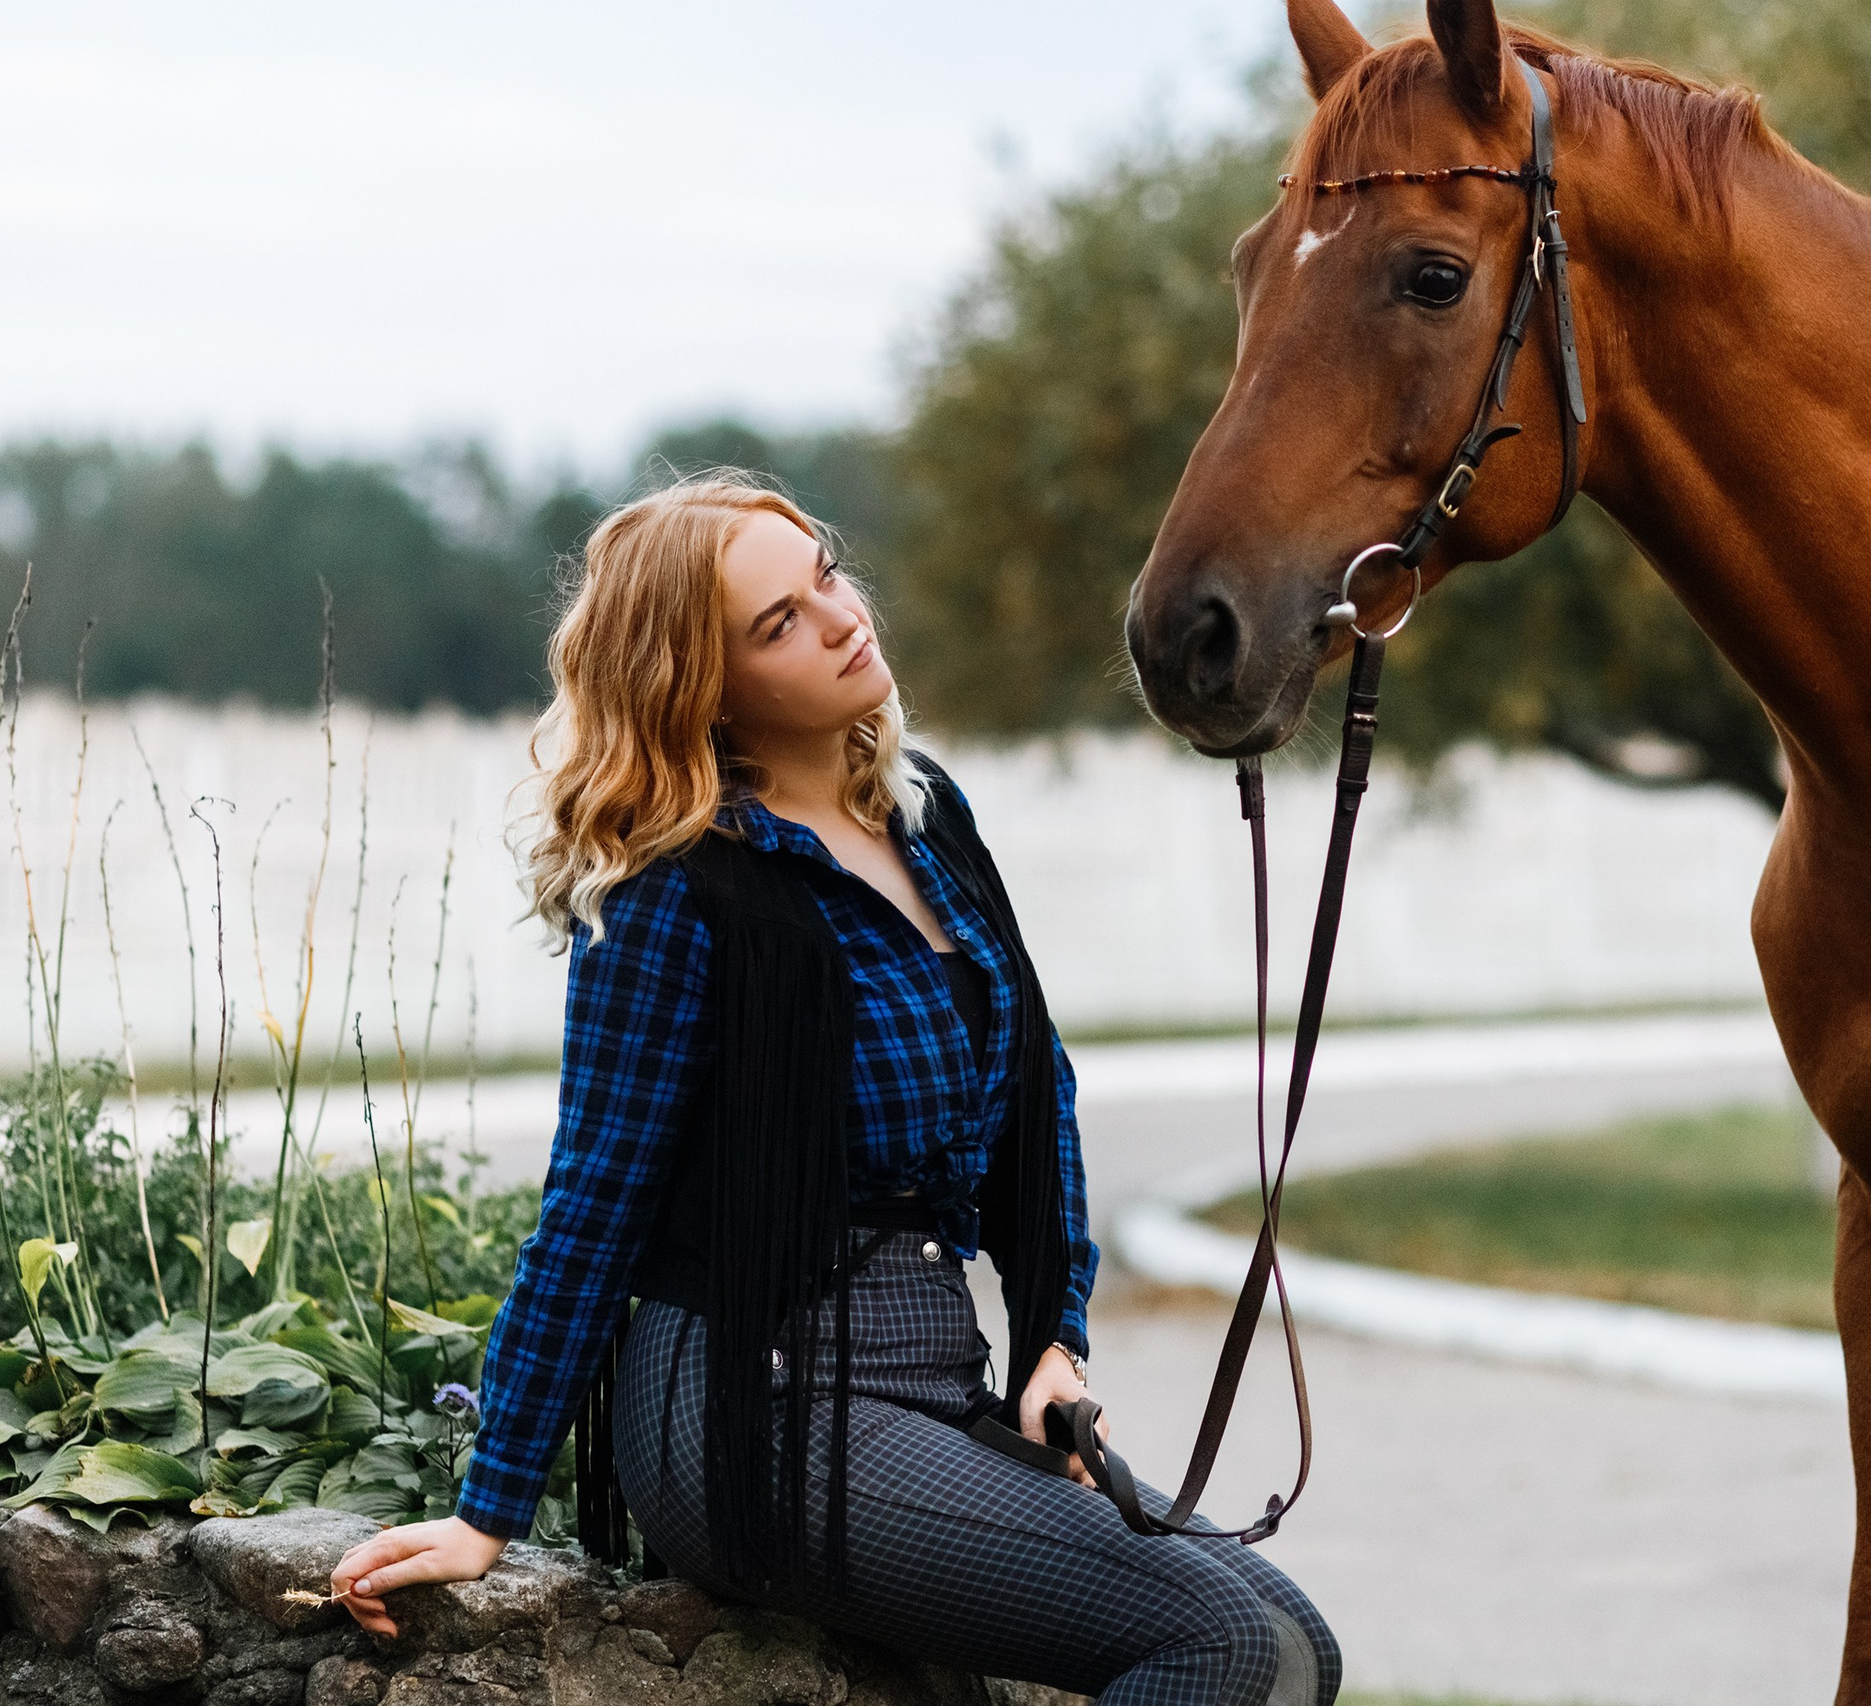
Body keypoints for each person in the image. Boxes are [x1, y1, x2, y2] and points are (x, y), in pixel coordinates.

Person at [330, 473, 1338, 1706]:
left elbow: (1036, 1091)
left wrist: (1055, 1340)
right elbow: (590, 1206)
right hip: (744, 1413)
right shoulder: (677, 896)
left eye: (822, 572)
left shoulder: (927, 815)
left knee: (1297, 1642)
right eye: (777, 622)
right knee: (1223, 1645)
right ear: (703, 691)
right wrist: (487, 1507)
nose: (838, 613)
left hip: (922, 1374)